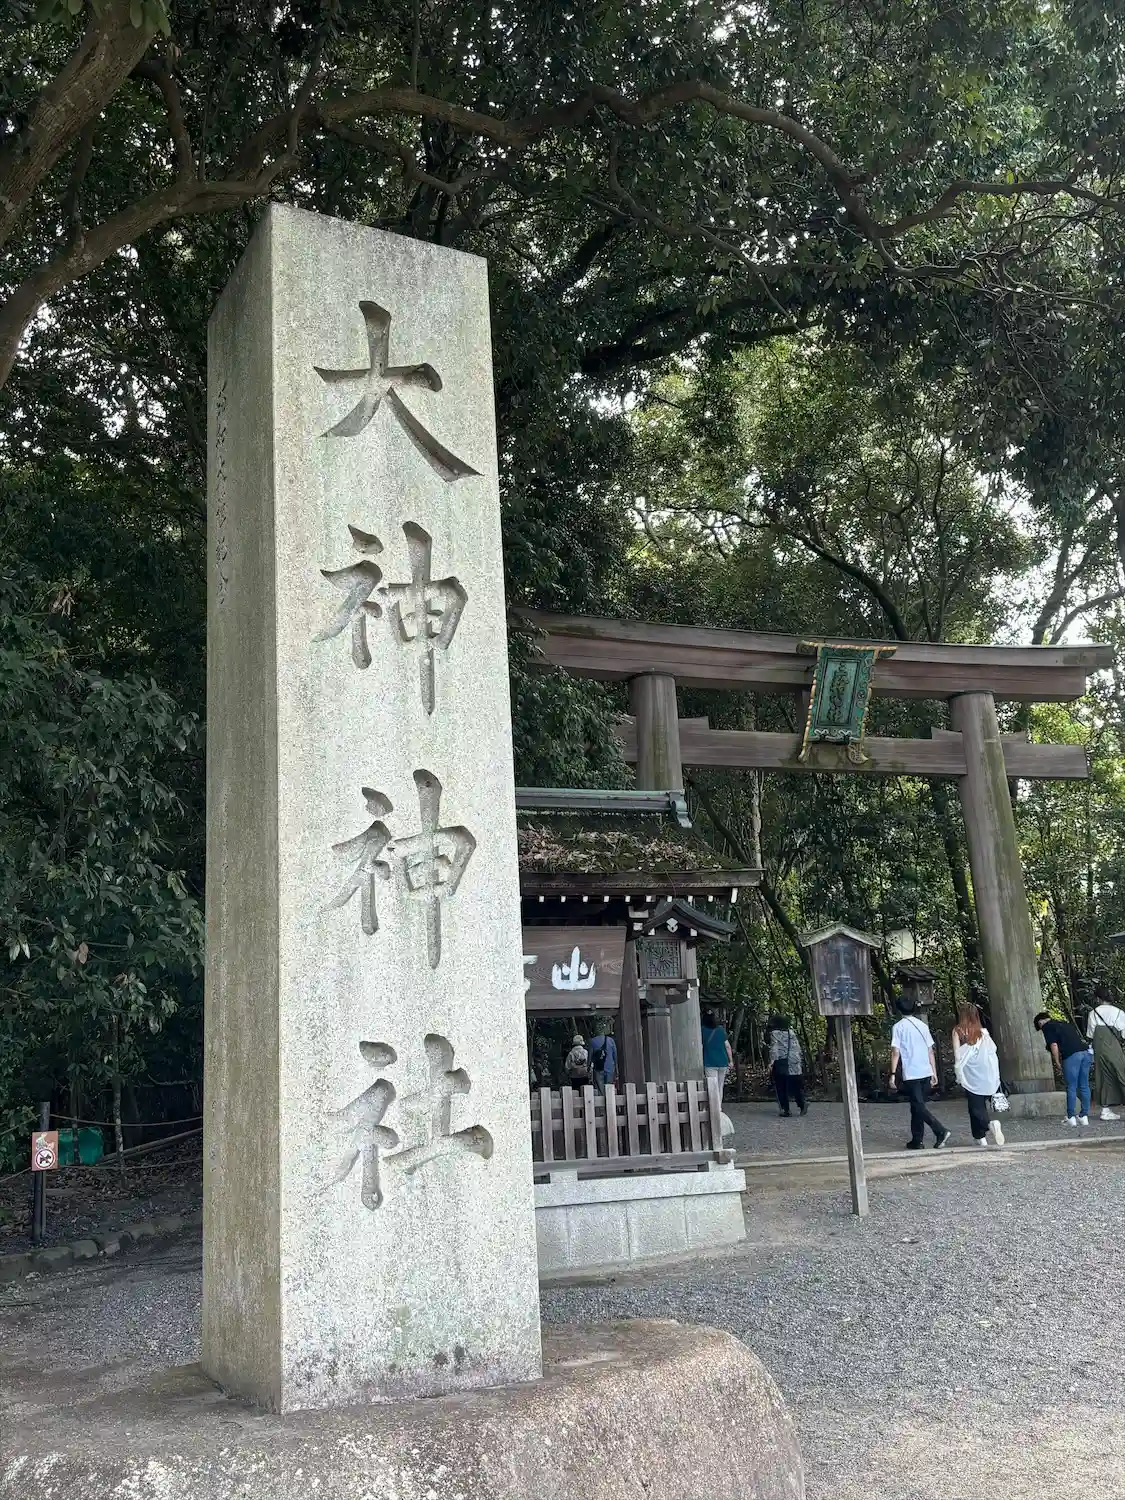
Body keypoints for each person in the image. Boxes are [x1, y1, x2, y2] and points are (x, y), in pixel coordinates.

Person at [889, 995, 950, 1149]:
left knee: (917, 1106)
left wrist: (893, 1074)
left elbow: (896, 1052)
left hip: (912, 1072)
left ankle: (940, 1130)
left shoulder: (898, 1027)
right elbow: (930, 1051)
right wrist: (934, 1072)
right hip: (926, 1071)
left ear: (899, 1009)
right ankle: (917, 1140)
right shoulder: (922, 1025)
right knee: (917, 1106)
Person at [951, 1003, 1005, 1147]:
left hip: (970, 1074)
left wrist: (958, 1072)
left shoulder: (958, 1031)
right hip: (985, 1072)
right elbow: (993, 1050)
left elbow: (958, 1055)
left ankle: (989, 1125)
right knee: (978, 1105)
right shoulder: (983, 1032)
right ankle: (979, 1137)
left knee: (975, 1106)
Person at [1034, 1011, 1091, 1125]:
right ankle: (1084, 1116)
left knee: (1071, 1087)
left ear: (1040, 1022)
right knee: (1084, 1085)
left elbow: (1054, 1045)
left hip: (1071, 1055)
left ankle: (1071, 1117)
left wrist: (1057, 1061)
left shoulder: (1047, 1027)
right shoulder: (1064, 1023)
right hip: (1085, 1053)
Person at [1086, 990, 1125, 1121]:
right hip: (1113, 1046)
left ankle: (1105, 1110)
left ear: (1098, 999)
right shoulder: (1118, 1012)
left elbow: (1090, 1034)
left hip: (1099, 1048)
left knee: (1102, 1076)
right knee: (1121, 1073)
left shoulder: (1093, 1013)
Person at [767, 1013, 808, 1117]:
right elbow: (797, 1048)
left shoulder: (775, 1033)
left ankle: (786, 1110)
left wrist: (771, 1063)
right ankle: (802, 1104)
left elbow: (774, 1049)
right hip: (794, 1064)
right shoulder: (791, 1032)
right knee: (795, 1086)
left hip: (781, 1062)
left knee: (781, 1087)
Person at [700, 1008, 733, 1103]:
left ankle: (713, 1107)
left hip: (709, 1062)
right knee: (720, 1086)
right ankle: (718, 1107)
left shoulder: (702, 1030)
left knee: (712, 1086)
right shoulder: (721, 1030)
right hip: (723, 1062)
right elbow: (727, 1046)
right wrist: (731, 1061)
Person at [588, 1023, 618, 1092]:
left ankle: (602, 1097)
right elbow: (615, 1056)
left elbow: (590, 1057)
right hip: (610, 1068)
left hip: (598, 1068)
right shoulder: (611, 1040)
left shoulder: (592, 1041)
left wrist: (588, 1068)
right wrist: (616, 1069)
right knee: (609, 1089)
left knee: (600, 1090)